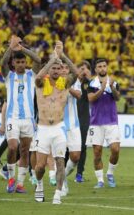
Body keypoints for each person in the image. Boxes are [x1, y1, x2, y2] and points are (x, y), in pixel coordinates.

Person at [34, 41, 77, 204]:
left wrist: (62, 55)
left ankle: (57, 194)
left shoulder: (64, 84)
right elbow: (38, 76)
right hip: (43, 128)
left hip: (59, 127)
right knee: (40, 166)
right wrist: (53, 58)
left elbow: (76, 73)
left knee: (60, 161)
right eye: (53, 68)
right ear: (49, 68)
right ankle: (39, 184)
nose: (56, 70)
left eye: (59, 68)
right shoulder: (41, 83)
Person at [1, 35, 41, 193]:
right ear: (13, 63)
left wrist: (22, 48)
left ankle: (20, 183)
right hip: (13, 118)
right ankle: (11, 177)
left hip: (29, 120)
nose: (21, 64)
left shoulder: (31, 75)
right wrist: (11, 48)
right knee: (12, 147)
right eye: (17, 62)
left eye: (23, 61)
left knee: (25, 151)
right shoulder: (8, 76)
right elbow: (2, 63)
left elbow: (37, 60)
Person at [87, 58, 121, 188]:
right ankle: (100, 180)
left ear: (107, 68)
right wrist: (101, 89)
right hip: (96, 122)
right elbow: (91, 99)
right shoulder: (92, 83)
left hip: (112, 121)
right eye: (99, 66)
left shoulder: (114, 82)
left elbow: (117, 97)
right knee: (97, 152)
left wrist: (111, 87)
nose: (102, 68)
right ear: (96, 69)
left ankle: (110, 173)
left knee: (115, 149)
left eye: (104, 66)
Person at [60, 63, 81, 196]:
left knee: (75, 157)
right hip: (58, 125)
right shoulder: (52, 81)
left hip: (73, 125)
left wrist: (66, 86)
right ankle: (61, 184)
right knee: (60, 157)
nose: (63, 70)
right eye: (61, 67)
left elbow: (78, 95)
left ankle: (62, 177)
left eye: (66, 68)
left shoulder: (74, 82)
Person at [75, 61, 91, 183]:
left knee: (82, 147)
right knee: (66, 147)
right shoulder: (71, 82)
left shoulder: (89, 85)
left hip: (83, 118)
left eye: (85, 69)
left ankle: (79, 173)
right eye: (81, 69)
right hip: (70, 117)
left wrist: (88, 80)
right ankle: (62, 170)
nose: (83, 71)